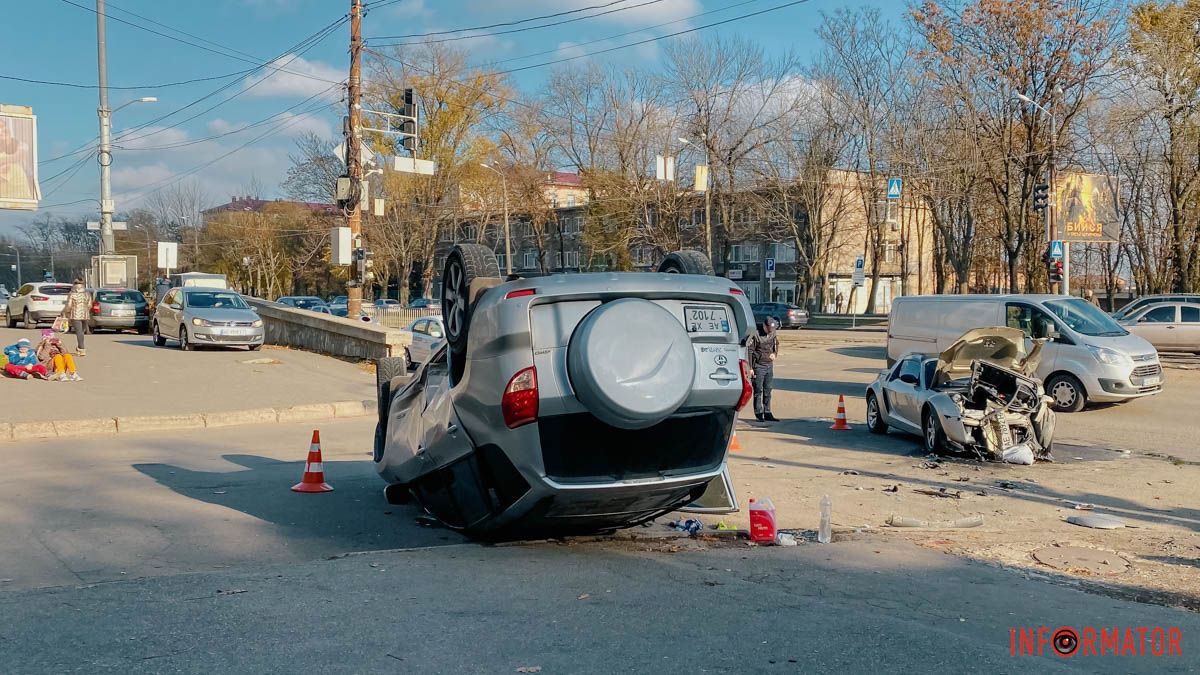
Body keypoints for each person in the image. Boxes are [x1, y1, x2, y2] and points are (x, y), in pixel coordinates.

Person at [747, 317, 780, 422]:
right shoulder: (756, 334)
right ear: (764, 326)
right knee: (758, 390)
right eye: (768, 329)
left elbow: (776, 344)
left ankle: (768, 412)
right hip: (758, 366)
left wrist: (775, 354)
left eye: (772, 330)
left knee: (768, 390)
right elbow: (750, 351)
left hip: (769, 365)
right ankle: (759, 413)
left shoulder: (773, 332)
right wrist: (750, 368)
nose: (770, 331)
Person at [60, 278, 91, 356]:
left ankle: (81, 348)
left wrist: (65, 313)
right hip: (85, 315)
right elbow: (90, 305)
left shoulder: (72, 294)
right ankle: (80, 347)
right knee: (82, 332)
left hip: (75, 315)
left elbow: (69, 306)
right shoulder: (87, 294)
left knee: (79, 332)